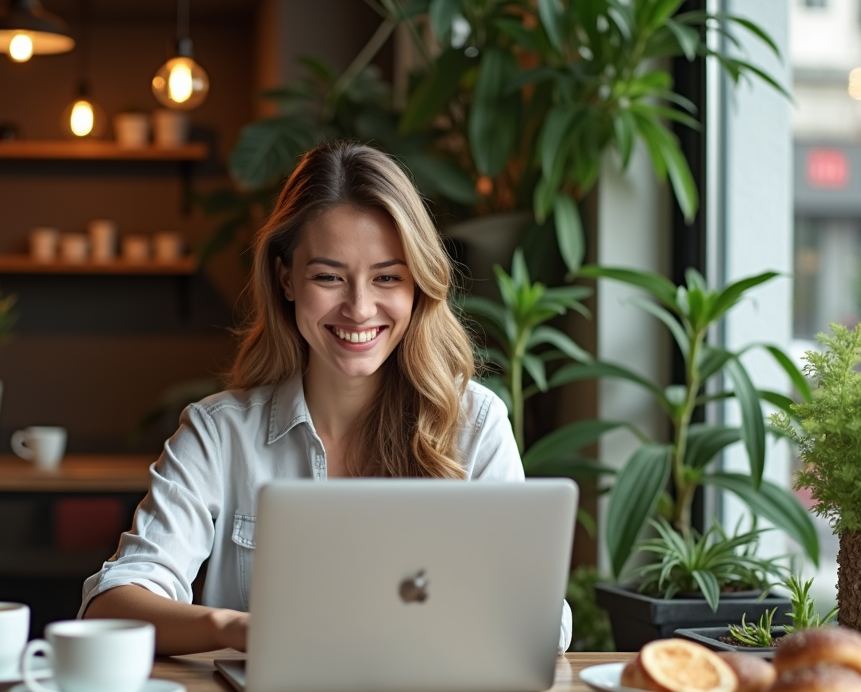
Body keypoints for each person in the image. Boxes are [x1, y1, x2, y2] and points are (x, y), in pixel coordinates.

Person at [81, 142, 572, 654]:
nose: (359, 309)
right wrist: (236, 628)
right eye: (329, 277)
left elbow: (544, 622)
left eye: (387, 277)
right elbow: (113, 603)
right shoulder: (218, 434)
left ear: (418, 285)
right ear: (286, 278)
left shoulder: (473, 423)